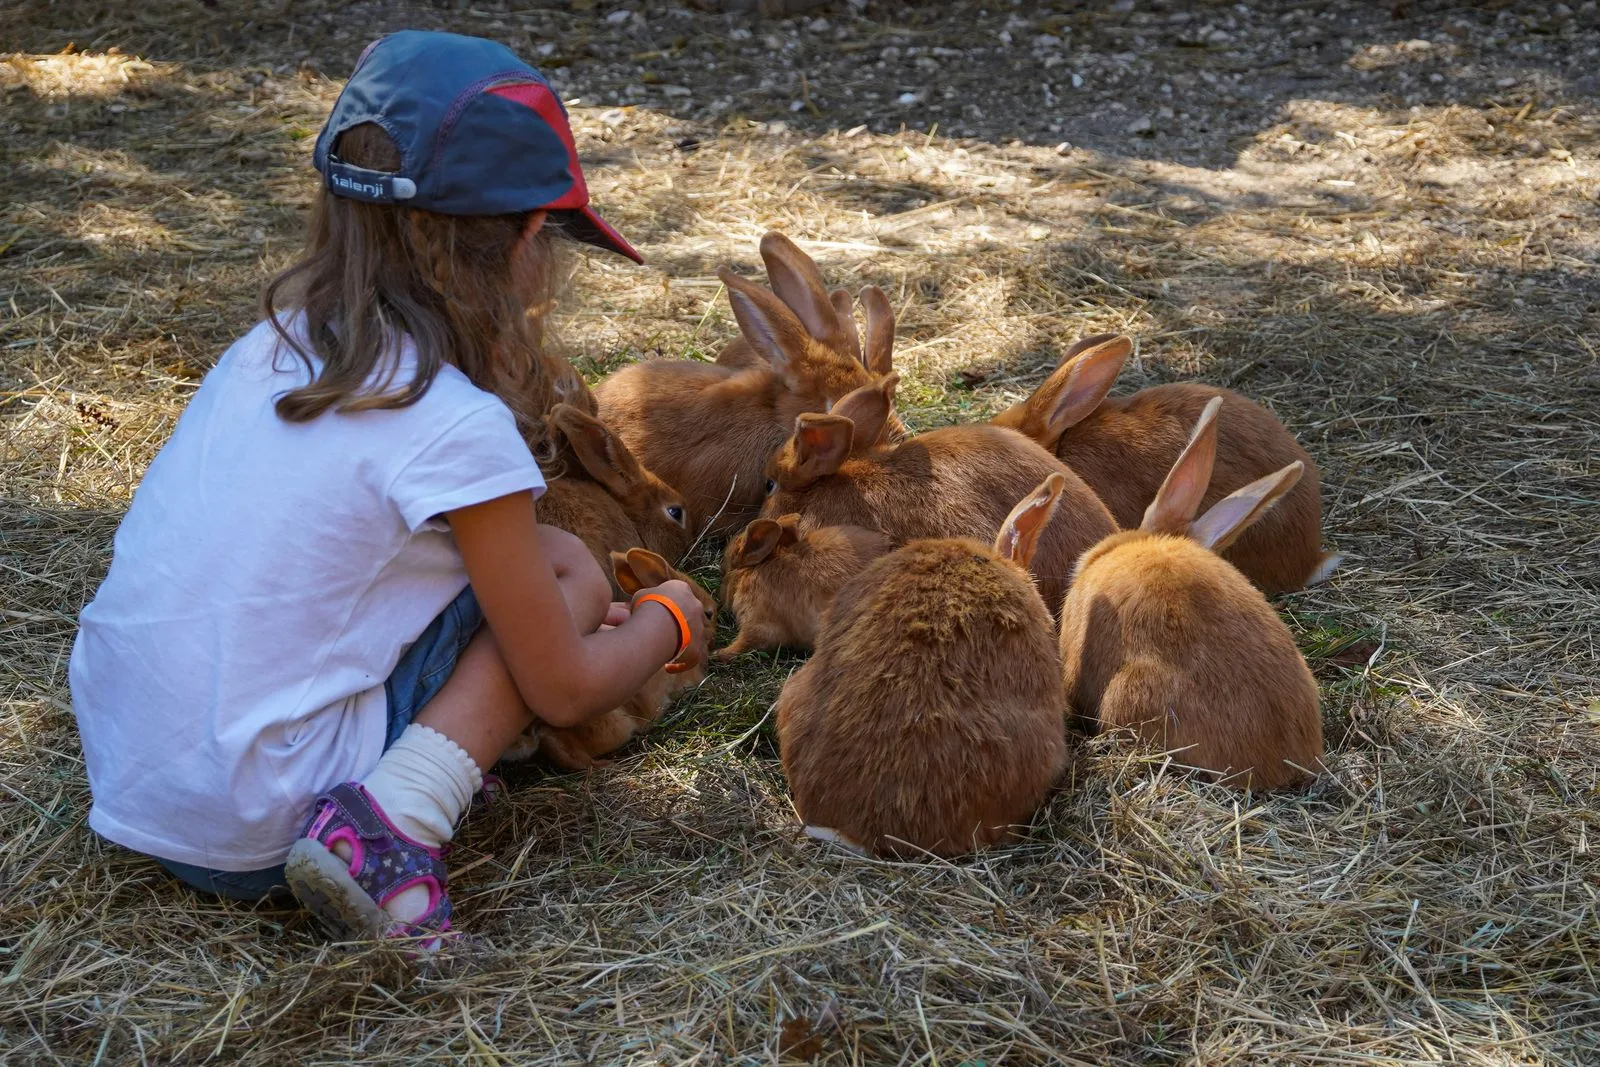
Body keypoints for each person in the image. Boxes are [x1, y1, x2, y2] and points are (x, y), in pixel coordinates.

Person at [68, 30, 705, 949]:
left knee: (549, 561)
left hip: (132, 777)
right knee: (578, 579)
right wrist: (667, 621)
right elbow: (564, 689)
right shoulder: (453, 423)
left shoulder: (276, 341)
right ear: (528, 237)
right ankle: (392, 823)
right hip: (252, 824)